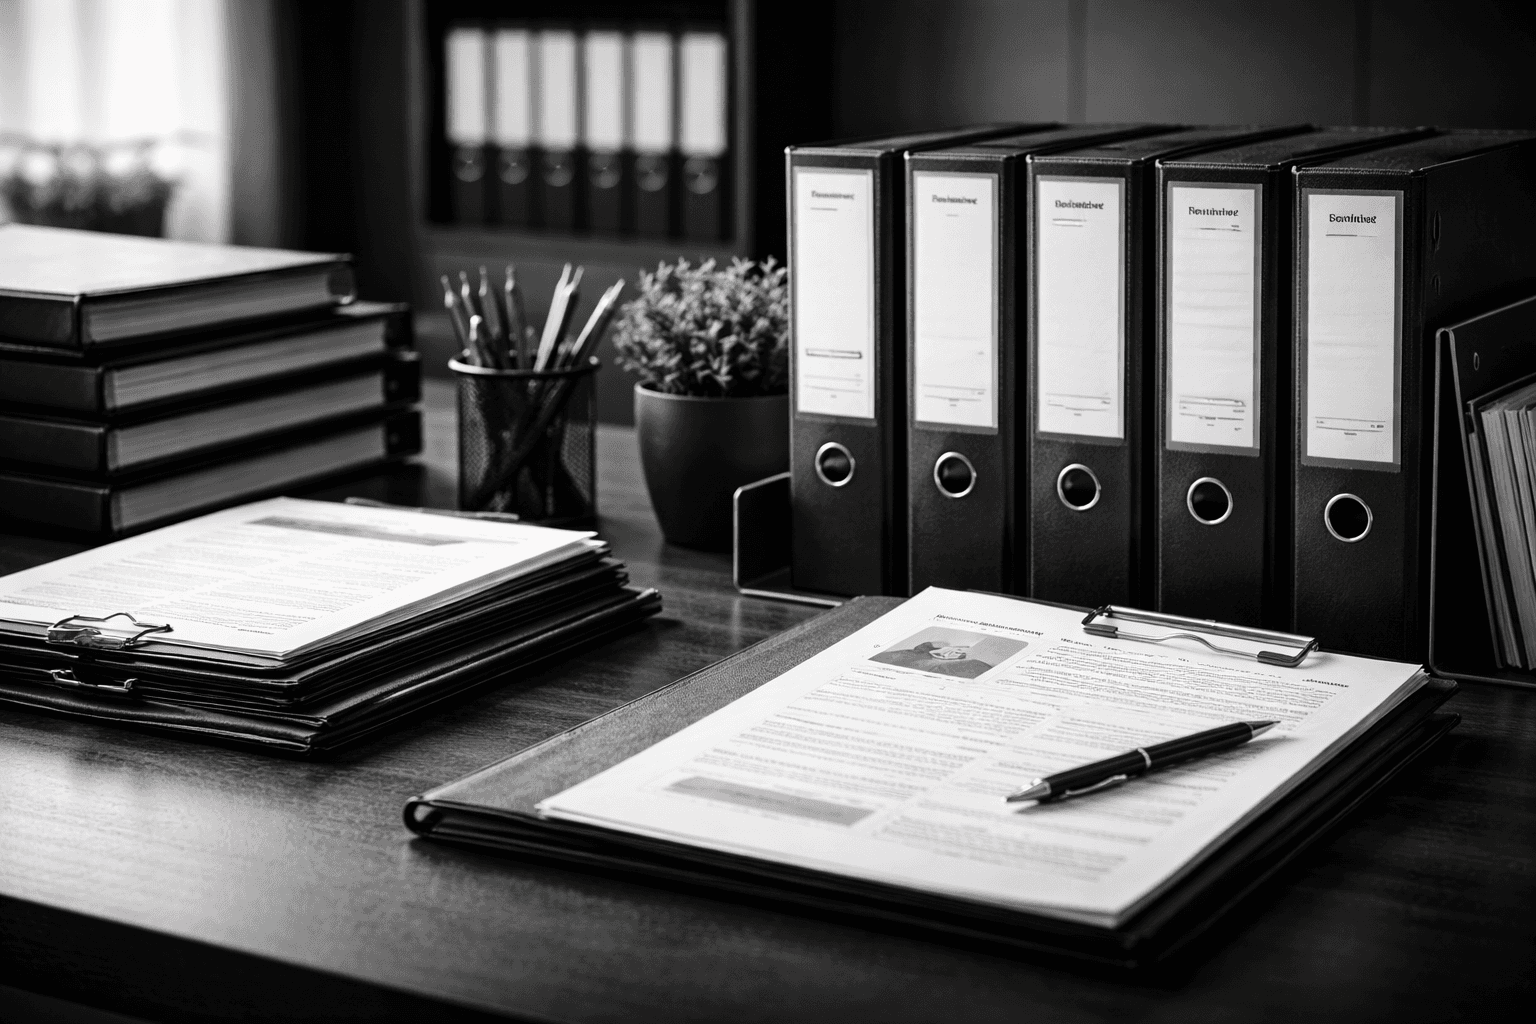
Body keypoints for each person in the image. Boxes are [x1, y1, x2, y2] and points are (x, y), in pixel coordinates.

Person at [871, 640, 990, 678]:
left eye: (959, 654)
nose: (955, 652)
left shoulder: (938, 666)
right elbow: (936, 644)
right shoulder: (923, 651)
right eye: (958, 650)